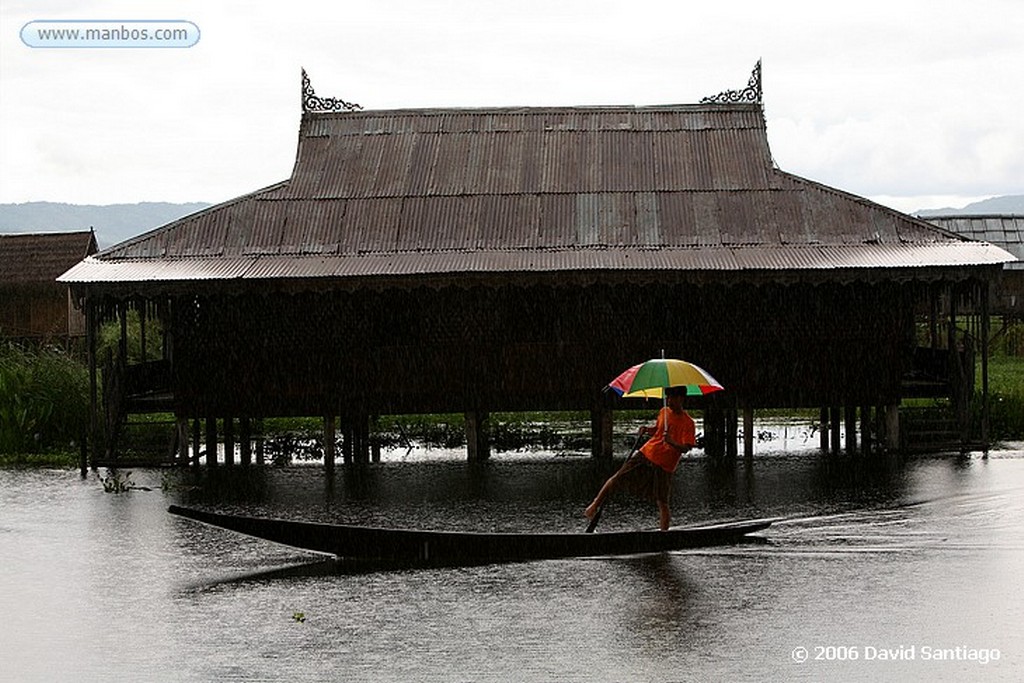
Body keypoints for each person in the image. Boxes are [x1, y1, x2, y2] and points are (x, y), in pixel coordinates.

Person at [584, 386, 697, 531]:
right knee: (618, 477)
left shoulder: (689, 423)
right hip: (647, 454)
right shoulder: (664, 411)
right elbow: (658, 430)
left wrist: (671, 442)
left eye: (672, 398)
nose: (669, 401)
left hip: (665, 465)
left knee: (662, 501)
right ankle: (594, 505)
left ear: (681, 399)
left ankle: (664, 536)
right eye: (667, 398)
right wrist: (647, 429)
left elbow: (686, 448)